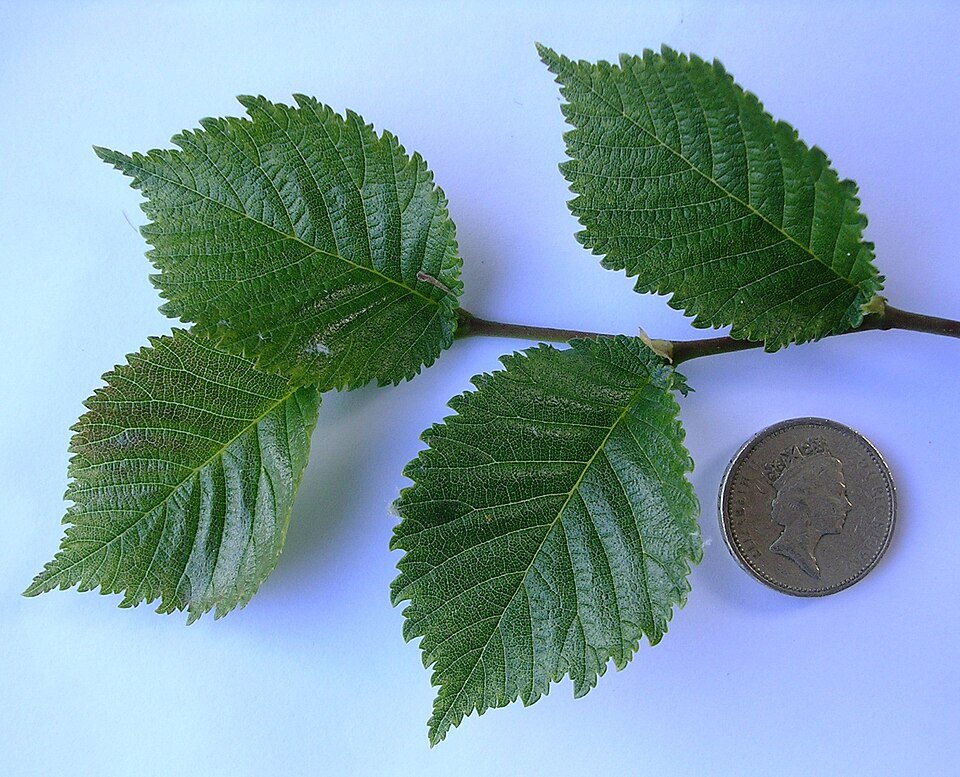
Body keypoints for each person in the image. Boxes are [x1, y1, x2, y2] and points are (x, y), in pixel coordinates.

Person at [769, 453, 852, 578]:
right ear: (805, 498)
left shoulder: (807, 558)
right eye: (838, 493)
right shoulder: (792, 551)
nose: (848, 505)